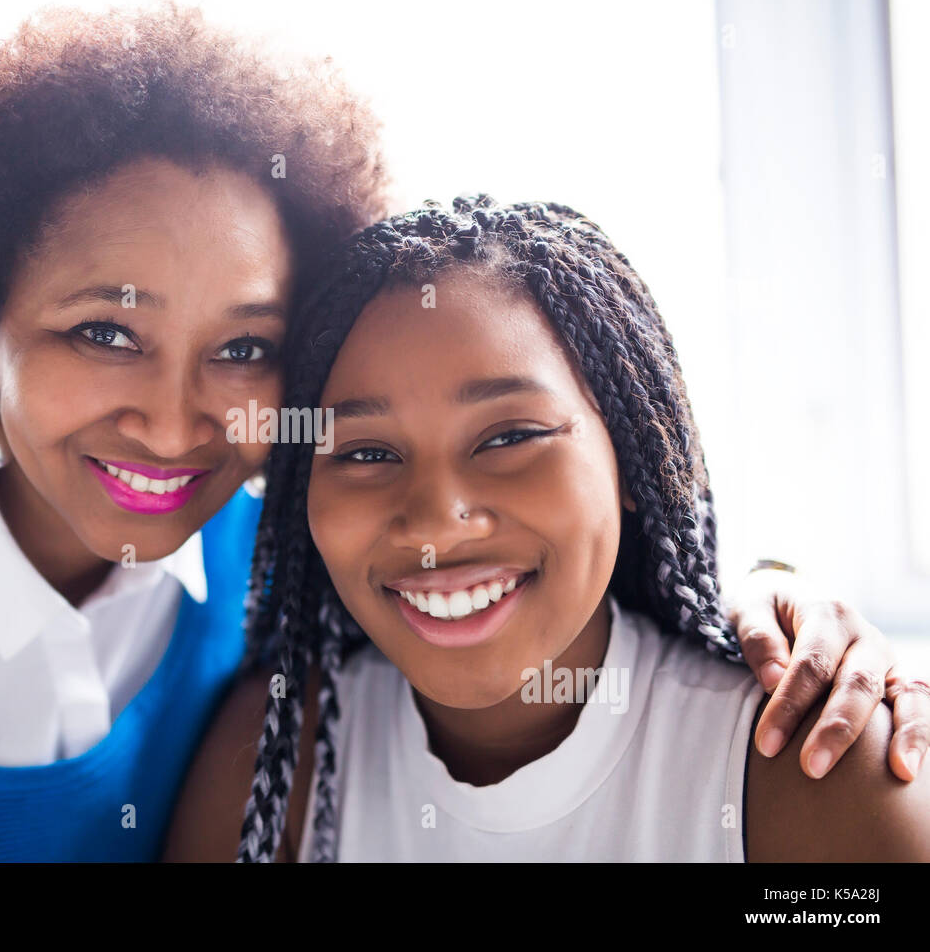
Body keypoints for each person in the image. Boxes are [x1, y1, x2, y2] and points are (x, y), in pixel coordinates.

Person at [0, 5, 920, 861]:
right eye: (105, 331)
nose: (181, 419)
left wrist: (779, 597)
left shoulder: (296, 542)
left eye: (244, 346)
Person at [163, 198, 930, 862]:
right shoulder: (272, 761)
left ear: (632, 460)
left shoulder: (812, 773)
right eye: (366, 452)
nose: (436, 517)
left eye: (507, 438)